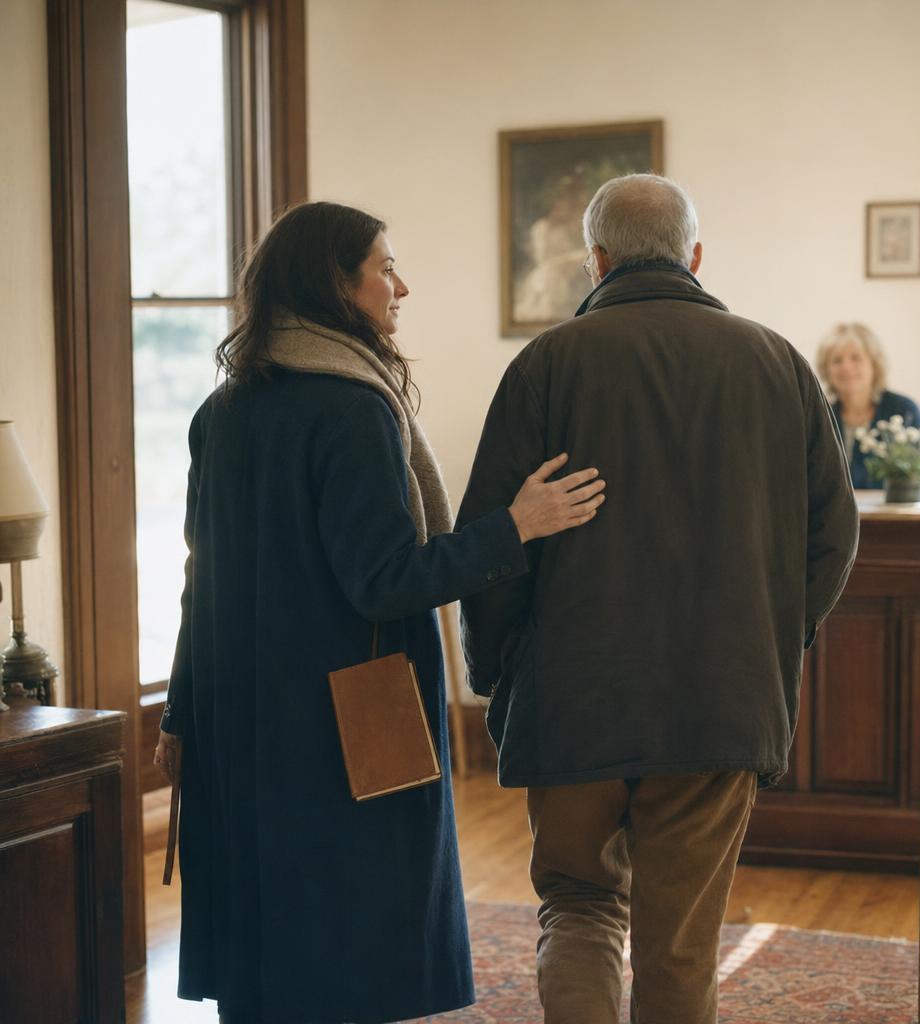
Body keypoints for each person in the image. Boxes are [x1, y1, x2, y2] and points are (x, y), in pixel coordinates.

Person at [151, 201, 606, 1024]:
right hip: (338, 728)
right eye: (384, 267)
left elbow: (198, 581)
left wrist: (179, 717)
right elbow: (388, 581)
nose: (402, 285)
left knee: (266, 959)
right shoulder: (352, 409)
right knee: (349, 956)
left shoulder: (221, 411)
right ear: (337, 283)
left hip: (234, 717)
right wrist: (517, 526)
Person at [457, 174, 859, 1024]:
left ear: (595, 259)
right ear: (696, 256)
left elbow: (493, 547)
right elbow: (836, 533)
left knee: (577, 905)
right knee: (678, 940)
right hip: (720, 700)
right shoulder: (779, 363)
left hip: (573, 698)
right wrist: (778, 638)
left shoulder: (546, 366)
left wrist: (493, 675)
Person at [816, 322, 920, 489]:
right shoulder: (820, 416)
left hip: (892, 514)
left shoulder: (905, 411)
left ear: (874, 365)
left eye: (856, 358)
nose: (846, 367)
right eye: (837, 360)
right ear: (826, 370)